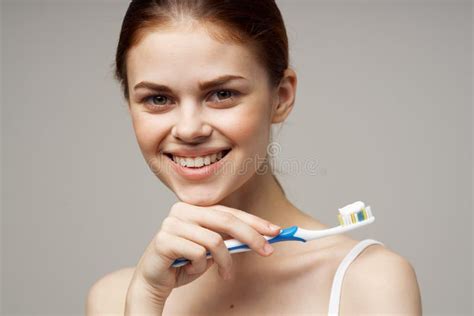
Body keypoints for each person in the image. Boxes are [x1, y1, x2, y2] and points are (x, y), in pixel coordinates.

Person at [86, 0, 422, 315]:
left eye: (222, 94)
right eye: (158, 99)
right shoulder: (115, 300)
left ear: (282, 97)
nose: (189, 130)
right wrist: (145, 300)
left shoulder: (370, 284)